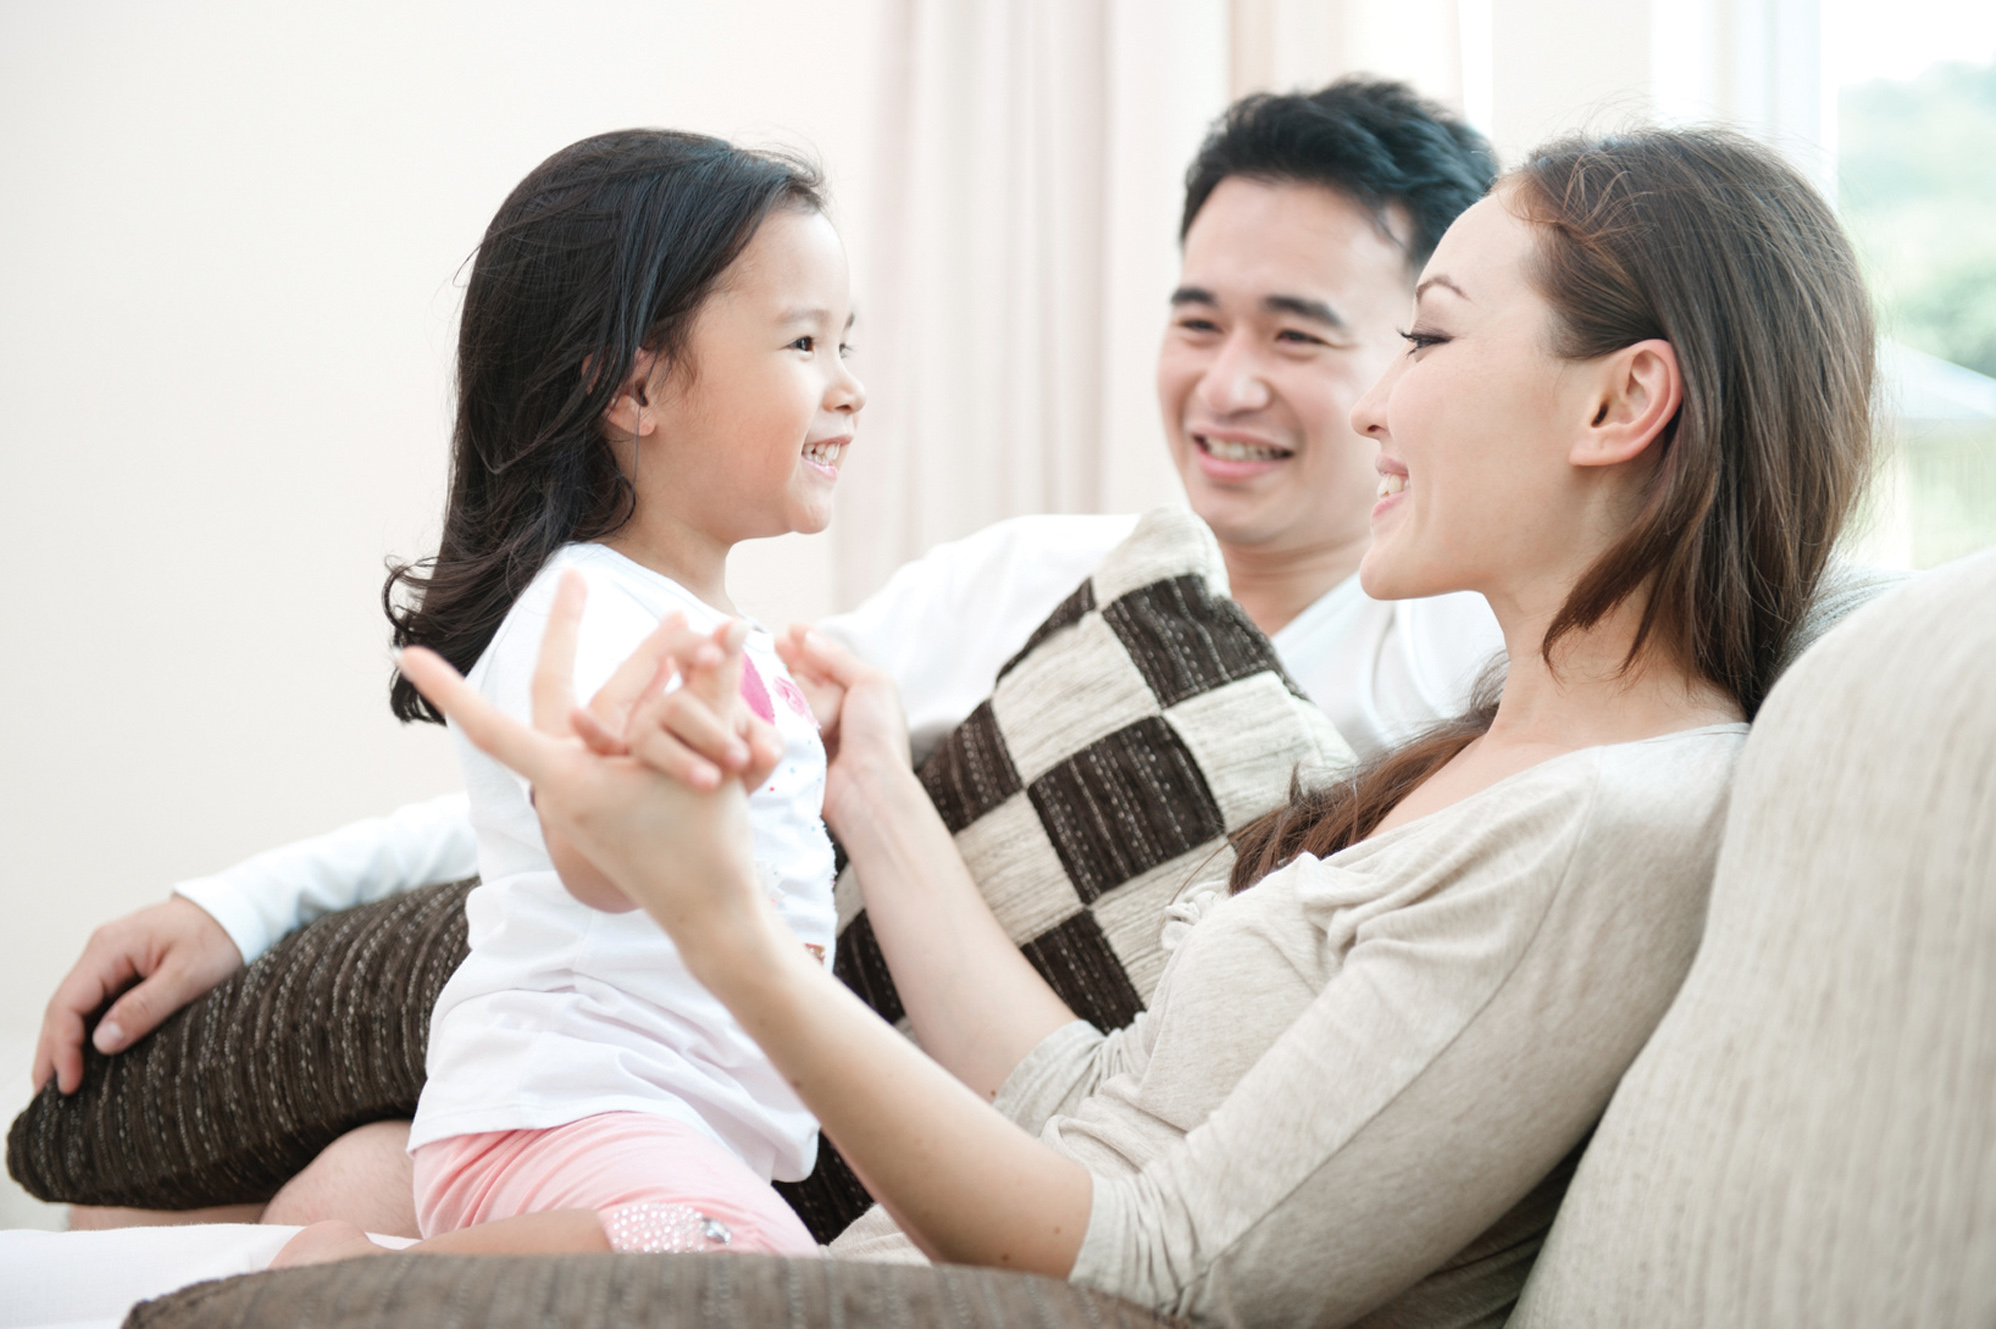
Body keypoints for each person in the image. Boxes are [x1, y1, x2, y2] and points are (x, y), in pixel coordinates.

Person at [331, 125, 1874, 1325]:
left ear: (1621, 405)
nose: (1376, 409)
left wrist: (727, 935)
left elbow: (1169, 1265)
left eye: (1426, 339)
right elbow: (1097, 1115)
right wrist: (877, 794)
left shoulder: (1607, 825)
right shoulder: (1482, 756)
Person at [34, 79, 1505, 1230]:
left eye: (1299, 336)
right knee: (216, 1163)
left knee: (380, 1186)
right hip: (660, 1061)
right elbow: (594, 771)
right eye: (1198, 318)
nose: (1225, 380)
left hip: (881, 1136)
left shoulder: (1446, 705)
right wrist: (247, 898)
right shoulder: (1036, 574)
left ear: (1423, 356)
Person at [285, 127, 864, 1260]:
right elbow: (588, 841)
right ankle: (338, 1282)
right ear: (637, 386)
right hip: (574, 1113)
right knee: (756, 1275)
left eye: (848, 343)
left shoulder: (694, 630)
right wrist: (628, 795)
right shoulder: (583, 614)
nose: (848, 389)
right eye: (805, 343)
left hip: (657, 1129)